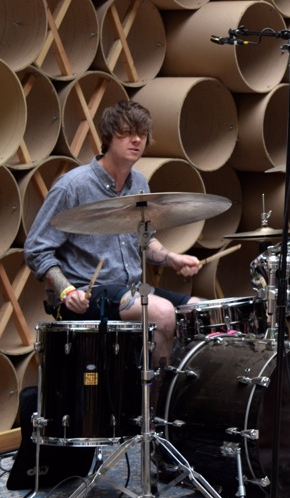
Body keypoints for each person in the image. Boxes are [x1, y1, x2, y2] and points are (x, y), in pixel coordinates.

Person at [25, 100, 204, 372]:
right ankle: (154, 408)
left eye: (142, 134)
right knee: (163, 312)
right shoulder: (73, 186)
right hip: (89, 292)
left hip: (131, 289)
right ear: (108, 136)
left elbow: (146, 241)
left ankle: (180, 394)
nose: (137, 139)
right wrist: (66, 290)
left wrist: (171, 258)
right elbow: (37, 250)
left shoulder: (139, 183)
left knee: (200, 310)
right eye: (127, 132)